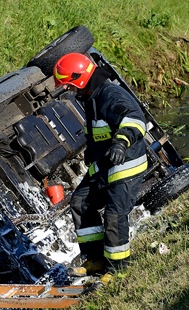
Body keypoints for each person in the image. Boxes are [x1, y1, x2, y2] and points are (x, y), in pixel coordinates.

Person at [53, 52, 148, 278]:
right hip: (105, 166)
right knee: (81, 202)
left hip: (126, 165)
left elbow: (135, 118)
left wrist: (120, 143)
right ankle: (95, 259)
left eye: (68, 84)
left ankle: (117, 271)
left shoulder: (110, 95)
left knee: (114, 216)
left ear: (80, 78)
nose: (67, 90)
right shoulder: (92, 97)